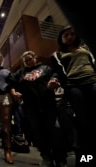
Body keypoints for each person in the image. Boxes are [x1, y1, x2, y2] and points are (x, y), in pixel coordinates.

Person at [48, 26, 96, 167]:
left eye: (72, 34)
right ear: (61, 39)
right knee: (83, 121)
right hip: (73, 84)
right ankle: (84, 158)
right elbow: (57, 71)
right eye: (66, 35)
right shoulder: (57, 54)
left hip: (93, 81)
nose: (69, 36)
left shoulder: (86, 49)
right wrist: (54, 80)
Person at [11, 51, 68, 167]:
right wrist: (13, 92)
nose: (28, 62)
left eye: (30, 59)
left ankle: (61, 159)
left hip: (48, 105)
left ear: (35, 58)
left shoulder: (45, 68)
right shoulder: (20, 73)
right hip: (31, 108)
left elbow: (55, 76)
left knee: (55, 131)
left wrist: (54, 81)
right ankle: (46, 157)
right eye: (25, 61)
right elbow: (11, 82)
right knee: (38, 133)